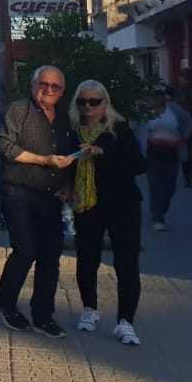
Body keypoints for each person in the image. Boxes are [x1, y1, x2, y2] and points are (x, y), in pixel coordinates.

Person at [0, 64, 78, 338]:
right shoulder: (19, 110)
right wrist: (43, 160)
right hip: (18, 190)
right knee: (26, 249)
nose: (48, 90)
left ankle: (43, 315)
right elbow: (5, 146)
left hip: (50, 195)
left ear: (62, 91)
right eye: (44, 84)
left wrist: (67, 184)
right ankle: (4, 301)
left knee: (50, 256)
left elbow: (68, 155)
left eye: (55, 86)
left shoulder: (65, 117)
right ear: (33, 85)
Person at [68, 79, 145, 346]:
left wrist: (104, 152)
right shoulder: (73, 131)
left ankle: (126, 321)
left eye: (94, 102)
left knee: (126, 261)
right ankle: (90, 308)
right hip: (88, 204)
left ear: (105, 104)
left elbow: (138, 165)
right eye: (82, 101)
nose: (88, 107)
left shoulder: (119, 129)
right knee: (87, 257)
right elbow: (66, 165)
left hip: (122, 204)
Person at [144, 86, 191, 231]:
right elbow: (138, 130)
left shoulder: (174, 110)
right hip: (153, 153)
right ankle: (157, 217)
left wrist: (183, 138)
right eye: (152, 96)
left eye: (158, 95)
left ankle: (162, 209)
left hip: (172, 152)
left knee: (170, 186)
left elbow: (187, 121)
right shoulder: (145, 113)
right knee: (155, 185)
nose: (155, 99)